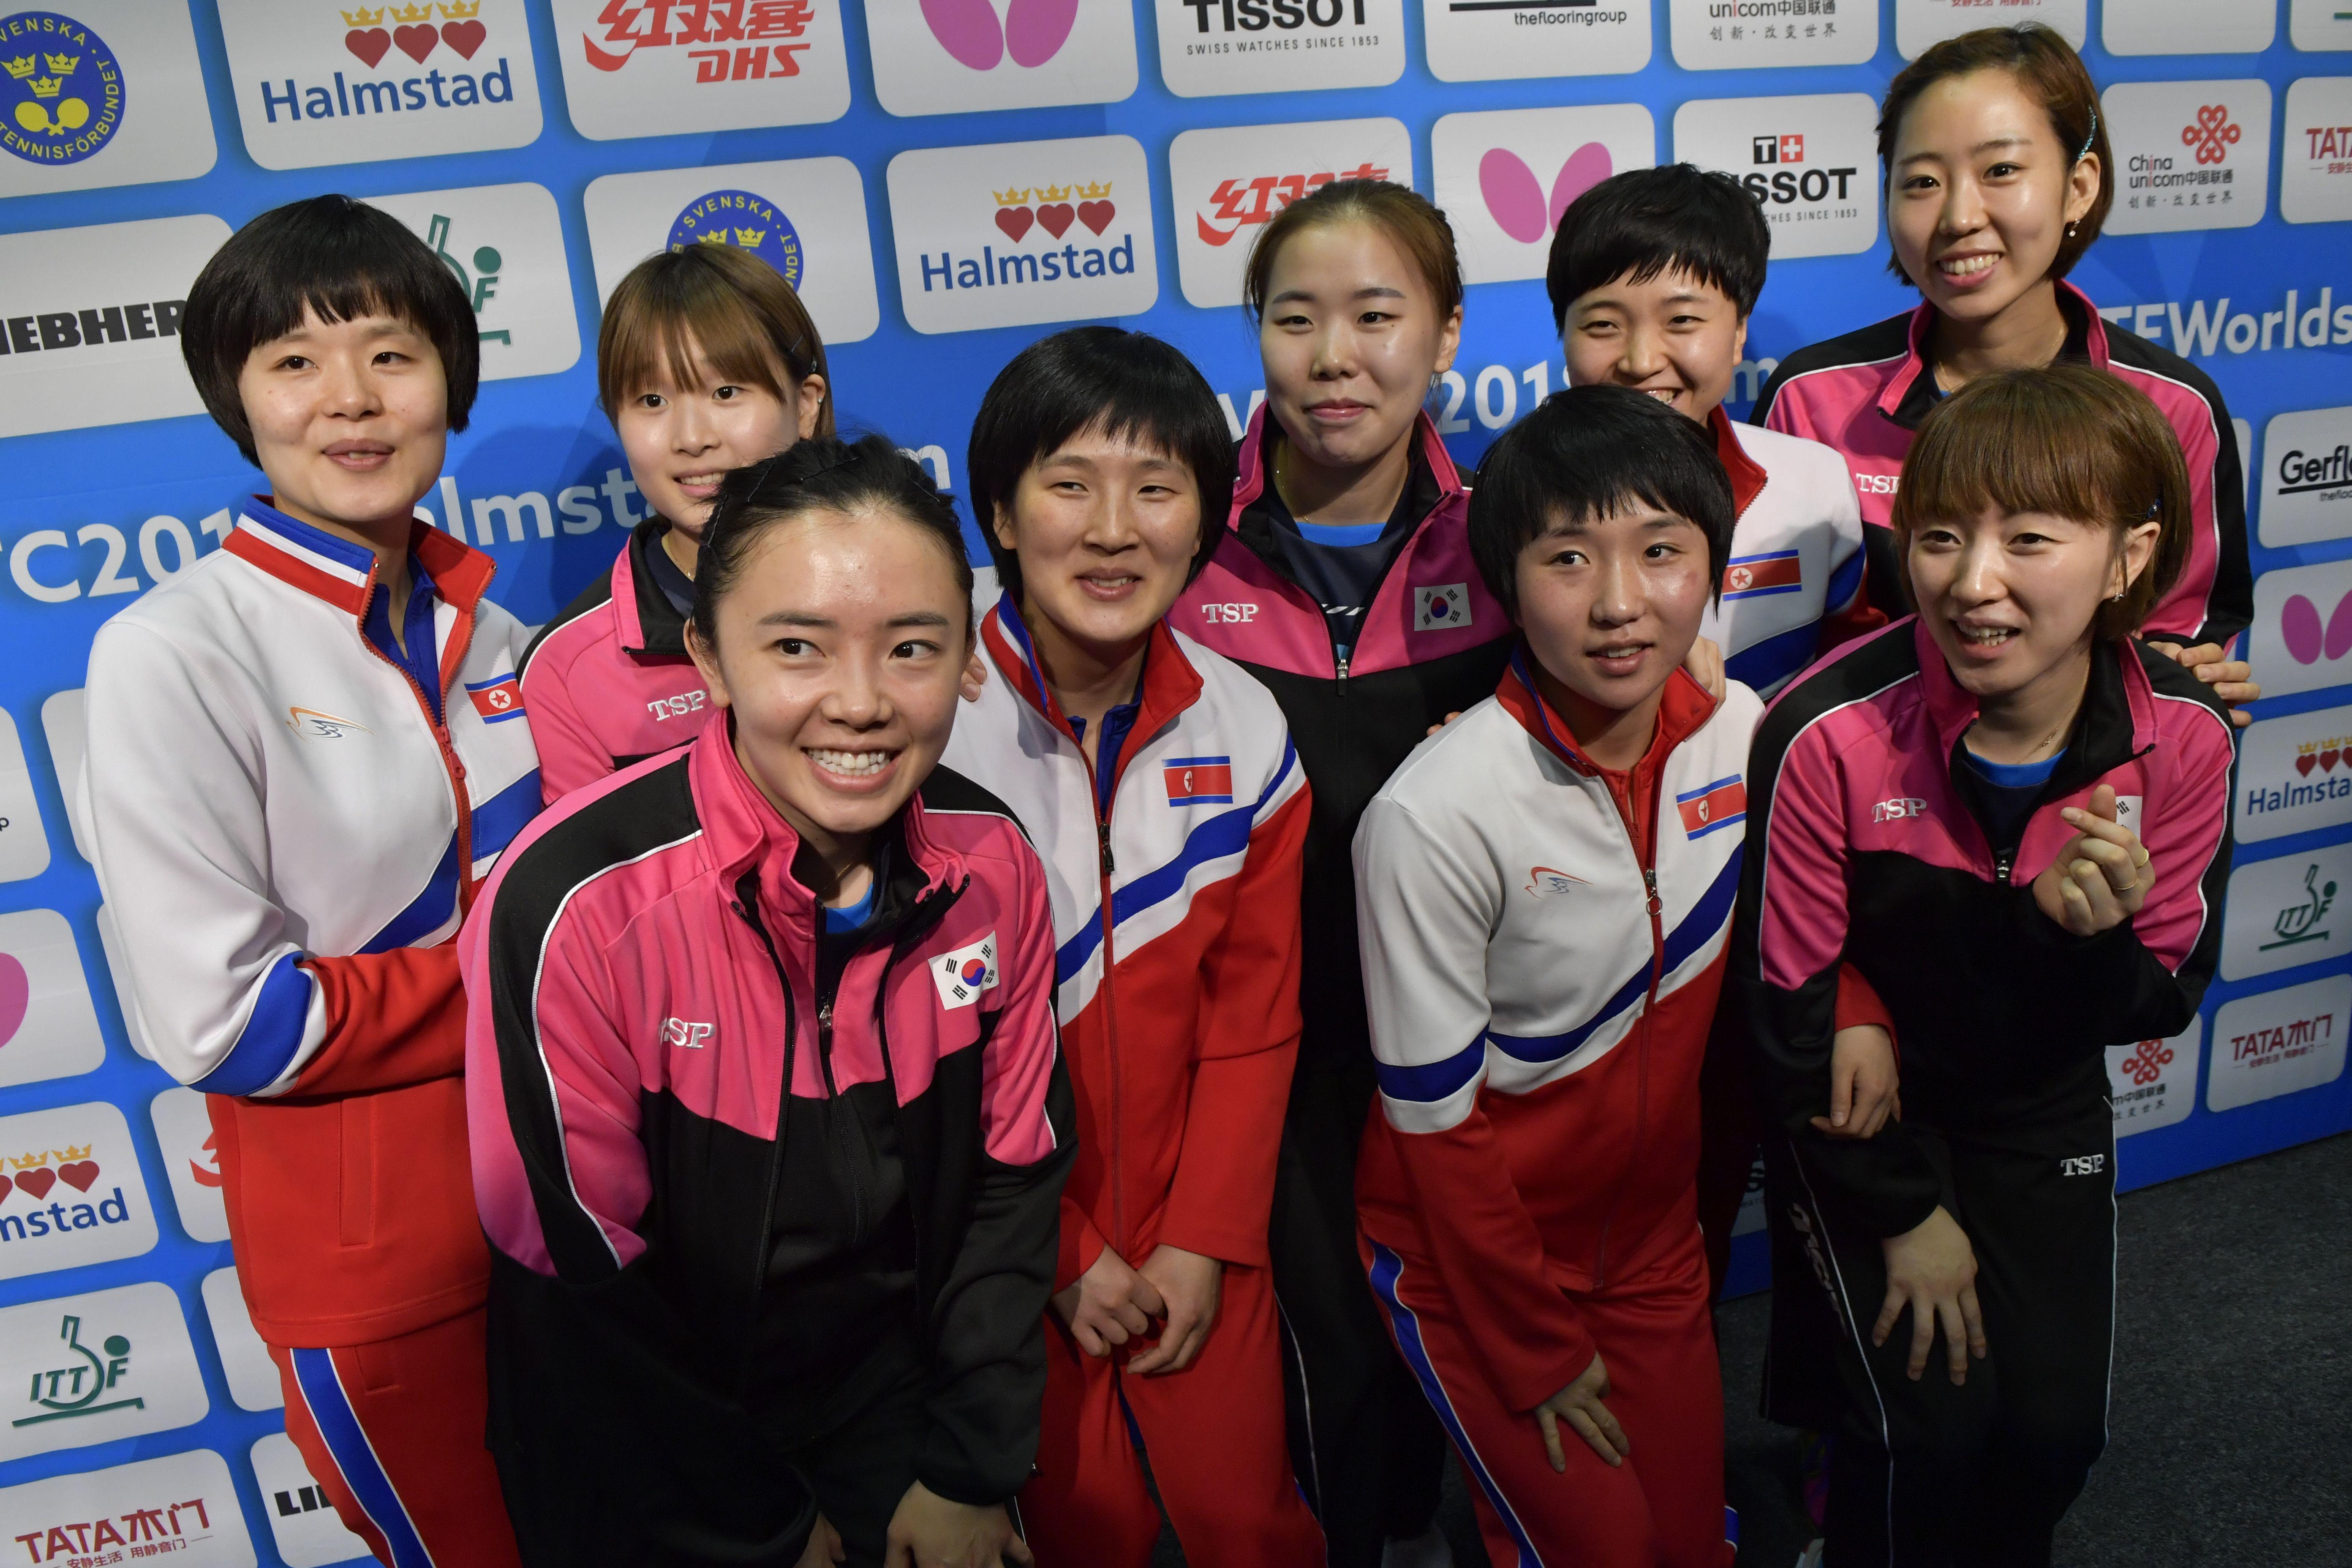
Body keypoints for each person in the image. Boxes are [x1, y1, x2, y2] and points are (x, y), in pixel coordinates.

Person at [463, 436, 1075, 1568]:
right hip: (650, 1451)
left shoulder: (994, 863)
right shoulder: (572, 903)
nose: (860, 705)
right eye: (797, 646)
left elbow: (1013, 1178)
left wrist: (966, 1467)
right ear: (710, 655)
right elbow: (577, 1279)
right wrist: (764, 1531)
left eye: (911, 649)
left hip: (888, 1405)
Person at [82, 195, 535, 1567]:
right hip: (383, 1275)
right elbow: (231, 1023)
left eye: (391, 354)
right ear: (238, 398)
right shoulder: (175, 650)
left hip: (583, 1234)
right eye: (293, 361)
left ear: (449, 376)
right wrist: (542, 992)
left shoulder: (505, 633)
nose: (351, 398)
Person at [1734, 365, 2235, 1567]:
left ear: (2129, 557)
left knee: (2055, 1435)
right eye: (1942, 536)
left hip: (2038, 1110)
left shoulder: (2185, 736)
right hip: (1863, 1119)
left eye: (2031, 538)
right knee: (1926, 1437)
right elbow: (1790, 1014)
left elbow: (2156, 1001)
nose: (1974, 582)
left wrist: (2086, 938)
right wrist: (1908, 1215)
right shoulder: (1824, 732)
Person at [1355, 384, 1770, 1568]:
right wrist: (1531, 1346)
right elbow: (1433, 1129)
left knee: (1690, 1545)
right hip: (1468, 1269)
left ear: (1714, 566)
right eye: (1569, 557)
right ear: (1504, 579)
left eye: (1662, 552)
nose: (1621, 604)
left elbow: (1821, 928)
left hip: (1653, 1253)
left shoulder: (1744, 735)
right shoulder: (1434, 813)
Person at [943, 327, 1324, 1565]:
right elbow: (912, 1058)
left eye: (1155, 486)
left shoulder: (1246, 722)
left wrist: (1204, 1236)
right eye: (1068, 483)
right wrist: (1060, 1253)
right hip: (993, 1252)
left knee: (1249, 1528)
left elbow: (1253, 1014)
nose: (1112, 528)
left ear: (1206, 518)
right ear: (998, 510)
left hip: (1195, 1242)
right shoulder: (919, 726)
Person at [1171, 176, 1503, 1568]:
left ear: (1442, 334)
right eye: (1293, 318)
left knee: (1484, 1339)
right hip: (1265, 1046)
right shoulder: (1176, 540)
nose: (1331, 356)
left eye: (1375, 316)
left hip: (1476, 1038)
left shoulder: (1508, 539)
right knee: (1331, 1372)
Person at [1754, 23, 2252, 683]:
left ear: (2079, 186)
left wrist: (2182, 681)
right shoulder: (1810, 398)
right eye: (1923, 181)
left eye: (2001, 171)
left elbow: (2183, 644)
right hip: (1853, 776)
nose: (1959, 215)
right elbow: (1765, 636)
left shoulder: (2170, 405)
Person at [1553, 162, 1882, 701]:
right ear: (1563, 334)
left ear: (1738, 334)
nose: (1640, 361)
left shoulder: (1813, 484)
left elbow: (1858, 675)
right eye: (1603, 325)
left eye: (1681, 321)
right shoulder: (1515, 493)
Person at [519, 243, 833, 802]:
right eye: (652, 400)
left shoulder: (901, 605)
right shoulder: (568, 668)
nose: (692, 438)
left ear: (805, 406)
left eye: (726, 392)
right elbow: (595, 881)